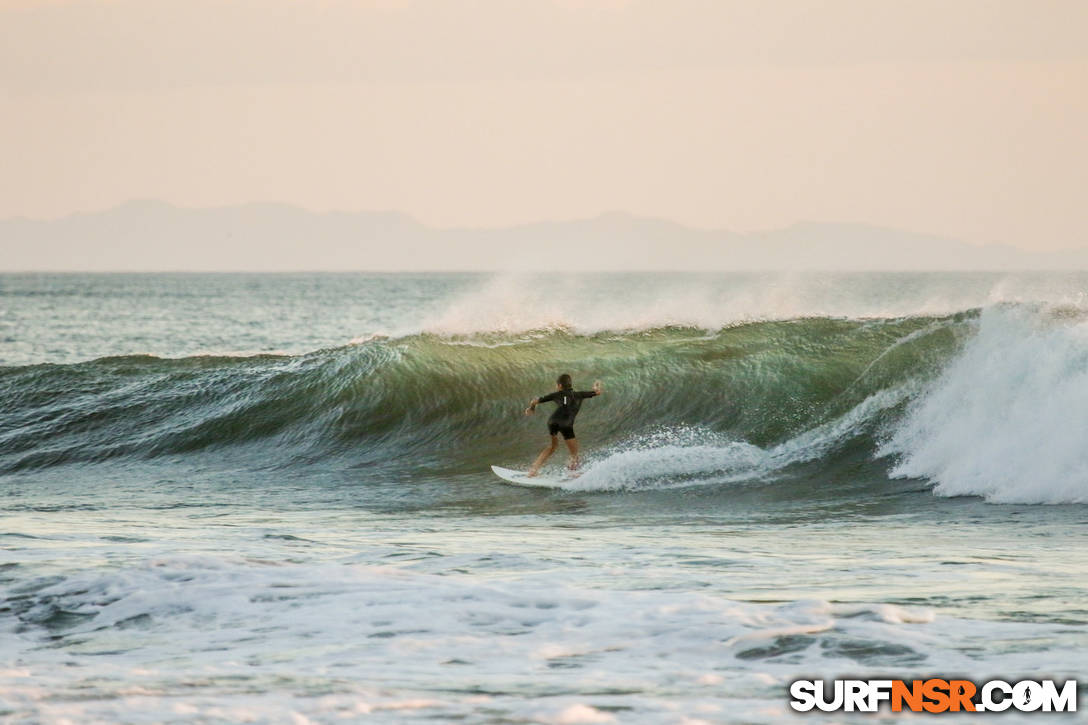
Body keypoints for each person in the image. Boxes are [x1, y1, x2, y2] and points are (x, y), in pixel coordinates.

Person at [524, 373, 603, 476]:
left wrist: (531, 409)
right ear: (570, 384)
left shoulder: (556, 394)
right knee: (574, 453)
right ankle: (572, 473)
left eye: (557, 385)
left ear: (560, 385)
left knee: (553, 446)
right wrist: (595, 386)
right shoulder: (579, 394)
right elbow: (597, 392)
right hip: (566, 424)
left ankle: (533, 471)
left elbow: (534, 401)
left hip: (553, 421)